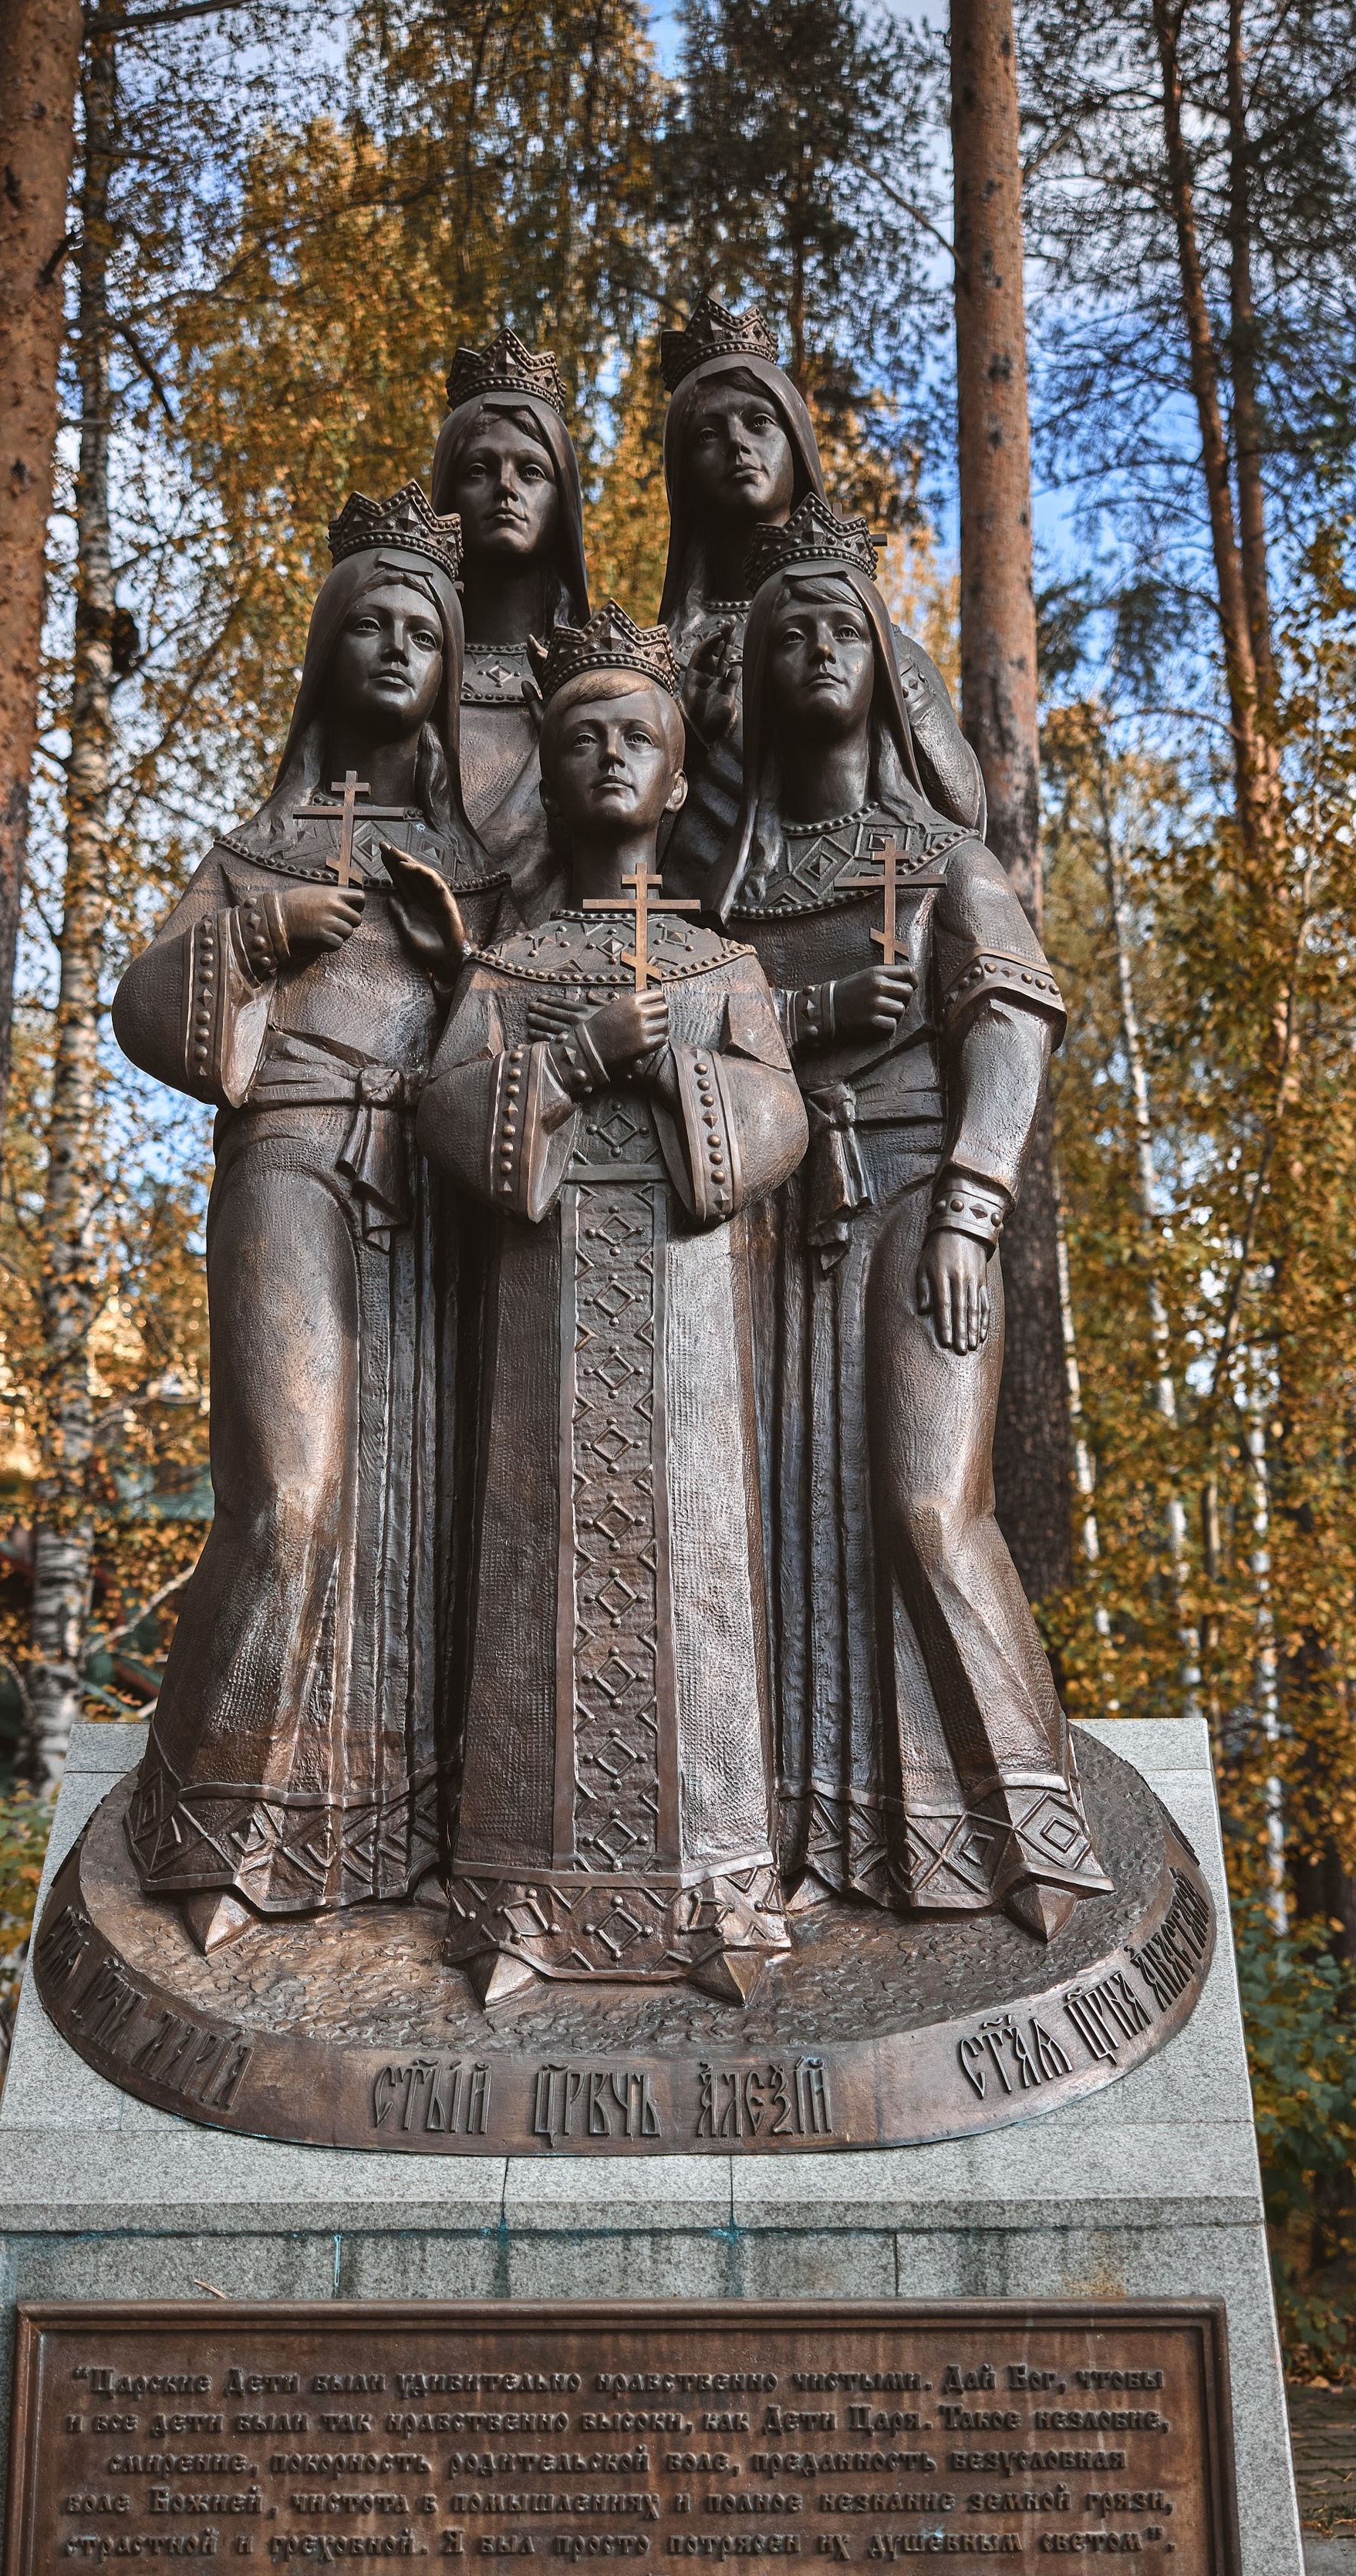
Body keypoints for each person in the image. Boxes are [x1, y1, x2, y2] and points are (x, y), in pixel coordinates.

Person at [709, 495, 1110, 1940]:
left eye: (842, 627)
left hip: (919, 1209)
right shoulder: (726, 884)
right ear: (751, 676)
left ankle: (1035, 1834)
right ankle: (835, 1831)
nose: (818, 647)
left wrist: (973, 1208)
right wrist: (802, 1023)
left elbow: (1011, 1022)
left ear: (885, 664)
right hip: (764, 1226)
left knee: (931, 1510)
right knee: (778, 1527)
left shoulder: (940, 858)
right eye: (790, 632)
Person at [110, 482, 504, 1953]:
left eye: (424, 631)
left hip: (441, 1196)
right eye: (373, 626)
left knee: (433, 1510)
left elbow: (531, 1029)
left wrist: (471, 962)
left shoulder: (476, 866)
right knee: (293, 1491)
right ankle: (213, 1813)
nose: (397, 648)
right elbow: (148, 1006)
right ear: (329, 650)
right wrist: (259, 936)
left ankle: (397, 1824)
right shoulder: (253, 847)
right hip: (290, 1157)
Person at [417, 604, 808, 2003]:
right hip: (545, 1329)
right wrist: (578, 1053)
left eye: (632, 734)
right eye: (576, 735)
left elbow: (779, 1118)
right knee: (538, 1571)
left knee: (692, 1583)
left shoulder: (722, 965)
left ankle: (714, 1899)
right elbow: (446, 1111)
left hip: (691, 1334)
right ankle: (525, 1894)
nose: (603, 756)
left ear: (679, 775)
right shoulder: (511, 969)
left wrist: (679, 1075)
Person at [656, 293, 981, 888]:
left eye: (759, 423)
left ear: (796, 444)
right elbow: (631, 859)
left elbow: (962, 815)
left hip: (871, 915)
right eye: (708, 433)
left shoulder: (876, 643)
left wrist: (890, 674)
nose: (736, 445)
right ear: (683, 470)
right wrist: (689, 737)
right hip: (714, 941)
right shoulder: (664, 661)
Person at [429, 327, 591, 917]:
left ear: (562, 499)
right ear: (448, 491)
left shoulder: (594, 681)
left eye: (531, 472)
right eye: (478, 470)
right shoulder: (411, 668)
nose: (505, 488)